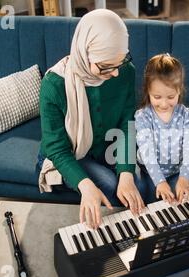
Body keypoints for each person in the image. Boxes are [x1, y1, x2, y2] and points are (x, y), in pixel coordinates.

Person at [37, 9, 147, 229]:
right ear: (84, 52)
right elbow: (57, 149)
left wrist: (126, 172)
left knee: (139, 187)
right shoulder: (54, 84)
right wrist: (85, 185)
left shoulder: (125, 71)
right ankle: (113, 249)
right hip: (68, 154)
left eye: (120, 62)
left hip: (107, 147)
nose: (115, 72)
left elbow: (127, 123)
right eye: (106, 66)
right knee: (109, 188)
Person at [135, 53, 189, 204]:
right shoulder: (143, 117)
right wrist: (160, 182)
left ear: (179, 91)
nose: (164, 104)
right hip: (151, 173)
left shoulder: (185, 115)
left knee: (184, 200)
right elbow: (147, 153)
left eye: (170, 97)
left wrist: (184, 178)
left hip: (177, 171)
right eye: (157, 97)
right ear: (148, 92)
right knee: (155, 203)